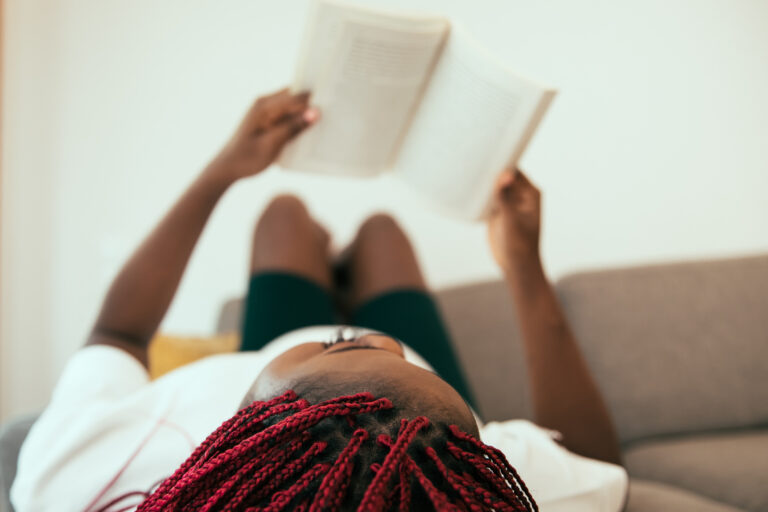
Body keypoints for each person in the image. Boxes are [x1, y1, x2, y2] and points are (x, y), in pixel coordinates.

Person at [11, 89, 627, 511]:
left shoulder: (77, 481)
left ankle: (317, 251)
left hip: (272, 361)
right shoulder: (469, 480)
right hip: (375, 400)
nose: (371, 342)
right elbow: (592, 466)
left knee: (284, 215)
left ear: (239, 431)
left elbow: (116, 336)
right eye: (394, 360)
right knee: (383, 231)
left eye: (339, 344)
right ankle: (358, 270)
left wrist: (223, 170)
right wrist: (523, 265)